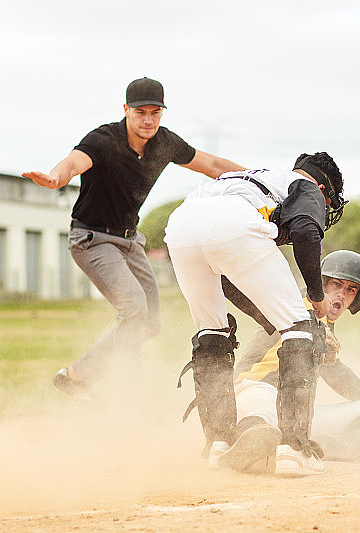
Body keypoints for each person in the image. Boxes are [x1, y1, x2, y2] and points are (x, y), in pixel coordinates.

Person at [22, 77, 244, 401]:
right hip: (92, 238)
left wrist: (257, 179)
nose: (149, 120)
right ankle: (126, 397)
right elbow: (74, 162)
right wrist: (57, 177)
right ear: (126, 110)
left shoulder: (164, 143)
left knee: (149, 323)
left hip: (130, 241)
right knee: (134, 310)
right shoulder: (104, 140)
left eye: (156, 112)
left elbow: (210, 164)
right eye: (141, 112)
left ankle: (77, 377)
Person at [164, 152, 346, 475]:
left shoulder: (256, 180)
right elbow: (305, 231)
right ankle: (295, 448)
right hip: (233, 223)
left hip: (180, 227)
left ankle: (218, 443)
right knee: (301, 328)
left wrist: (270, 321)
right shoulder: (305, 187)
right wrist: (316, 298)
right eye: (328, 203)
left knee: (212, 332)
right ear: (322, 188)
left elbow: (229, 279)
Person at [220, 250, 360, 476]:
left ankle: (327, 447)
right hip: (256, 389)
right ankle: (245, 441)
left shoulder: (324, 319)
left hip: (296, 415)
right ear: (320, 283)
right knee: (263, 416)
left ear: (356, 298)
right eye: (336, 284)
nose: (341, 294)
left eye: (351, 290)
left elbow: (338, 375)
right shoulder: (296, 305)